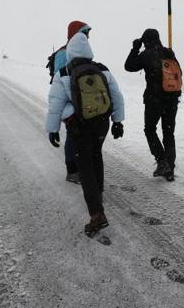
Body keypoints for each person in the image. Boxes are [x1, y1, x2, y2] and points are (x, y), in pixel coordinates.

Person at [46, 26, 125, 236]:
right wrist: (118, 121)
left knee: (85, 165)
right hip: (102, 123)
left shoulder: (63, 72)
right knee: (97, 155)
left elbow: (55, 104)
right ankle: (97, 193)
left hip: (80, 126)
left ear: (70, 51)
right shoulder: (102, 69)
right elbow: (117, 96)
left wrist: (53, 129)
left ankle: (97, 213)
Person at [124, 29, 182, 182]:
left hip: (154, 100)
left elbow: (129, 66)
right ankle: (169, 168)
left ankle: (162, 162)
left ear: (146, 41)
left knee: (150, 130)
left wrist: (135, 48)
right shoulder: (169, 53)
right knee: (168, 133)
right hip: (172, 99)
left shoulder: (146, 54)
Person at [45, 21, 92, 185]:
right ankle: (72, 171)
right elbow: (61, 83)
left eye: (87, 33)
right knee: (73, 138)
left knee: (83, 139)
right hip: (70, 107)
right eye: (85, 32)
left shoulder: (79, 51)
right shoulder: (63, 54)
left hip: (83, 105)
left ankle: (82, 168)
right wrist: (55, 126)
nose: (87, 36)